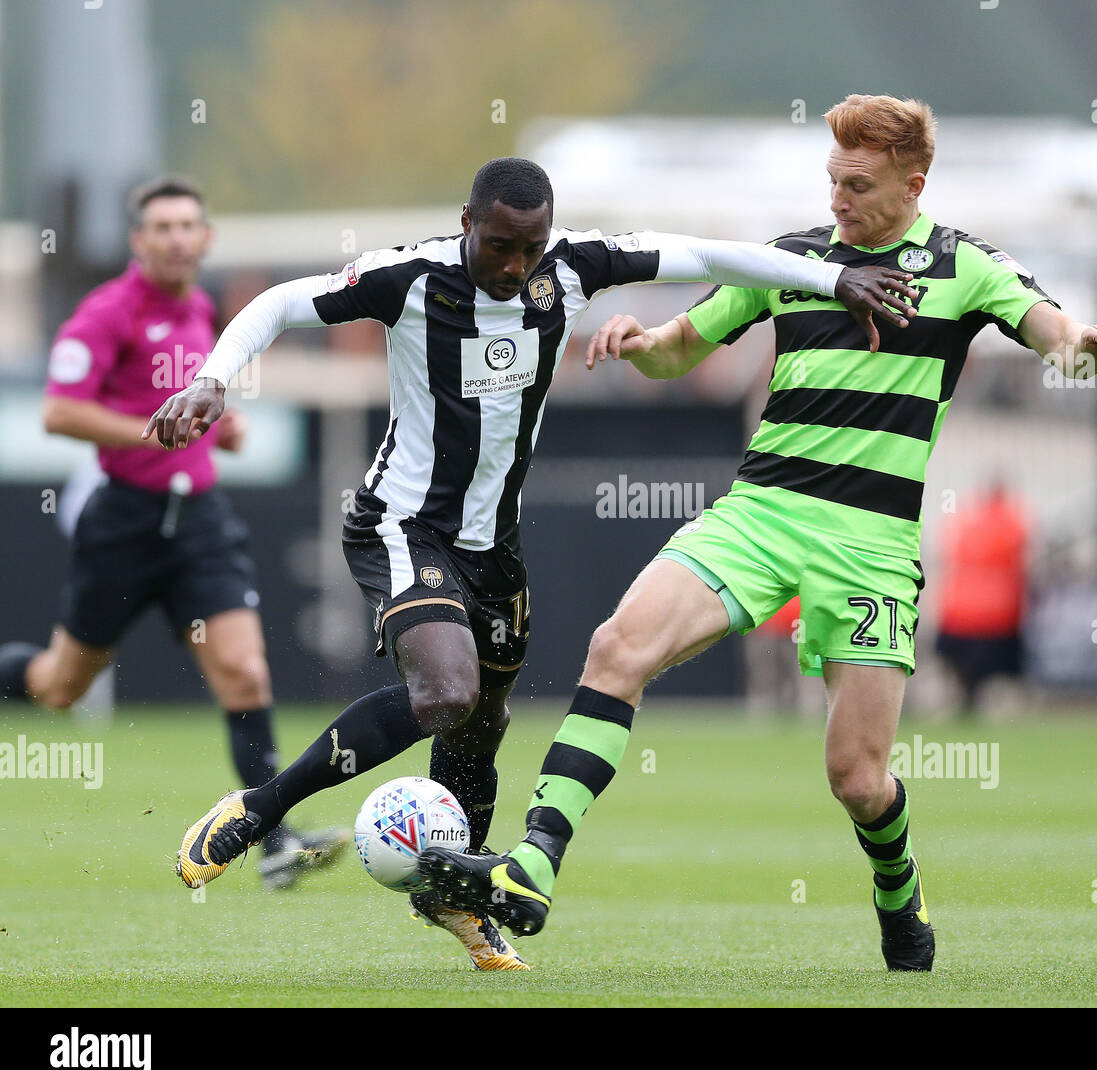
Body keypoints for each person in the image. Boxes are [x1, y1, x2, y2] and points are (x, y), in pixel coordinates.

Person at [412, 95, 1097, 974]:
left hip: (871, 544)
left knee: (858, 778)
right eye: (832, 180)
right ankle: (533, 866)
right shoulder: (793, 260)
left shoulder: (970, 267)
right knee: (618, 647)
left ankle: (898, 887)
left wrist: (1094, 342)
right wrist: (635, 339)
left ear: (914, 183)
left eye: (859, 185)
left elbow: (1057, 341)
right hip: (759, 513)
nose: (839, 200)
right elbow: (681, 347)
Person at [143, 156, 919, 972]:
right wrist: (212, 381)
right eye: (502, 246)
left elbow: (709, 253)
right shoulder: (409, 278)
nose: (516, 267)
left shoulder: (572, 269)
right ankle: (261, 808)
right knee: (446, 690)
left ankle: (454, 896)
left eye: (531, 247)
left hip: (496, 546)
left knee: (481, 729)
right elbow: (277, 302)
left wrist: (833, 279)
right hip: (404, 525)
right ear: (468, 222)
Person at [0, 176, 347, 890]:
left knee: (245, 670)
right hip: (124, 522)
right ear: (139, 241)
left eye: (188, 225)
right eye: (161, 227)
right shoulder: (107, 311)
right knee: (60, 685)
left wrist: (225, 426)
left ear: (206, 238)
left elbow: (199, 401)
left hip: (200, 521)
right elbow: (60, 413)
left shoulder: (202, 309)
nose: (176, 237)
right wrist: (154, 431)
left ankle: (273, 839)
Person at [933, 480, 1030, 713]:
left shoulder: (964, 520)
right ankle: (994, 706)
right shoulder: (1013, 521)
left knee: (960, 665)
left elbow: (949, 553)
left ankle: (963, 700)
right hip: (998, 610)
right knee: (998, 669)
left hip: (959, 610)